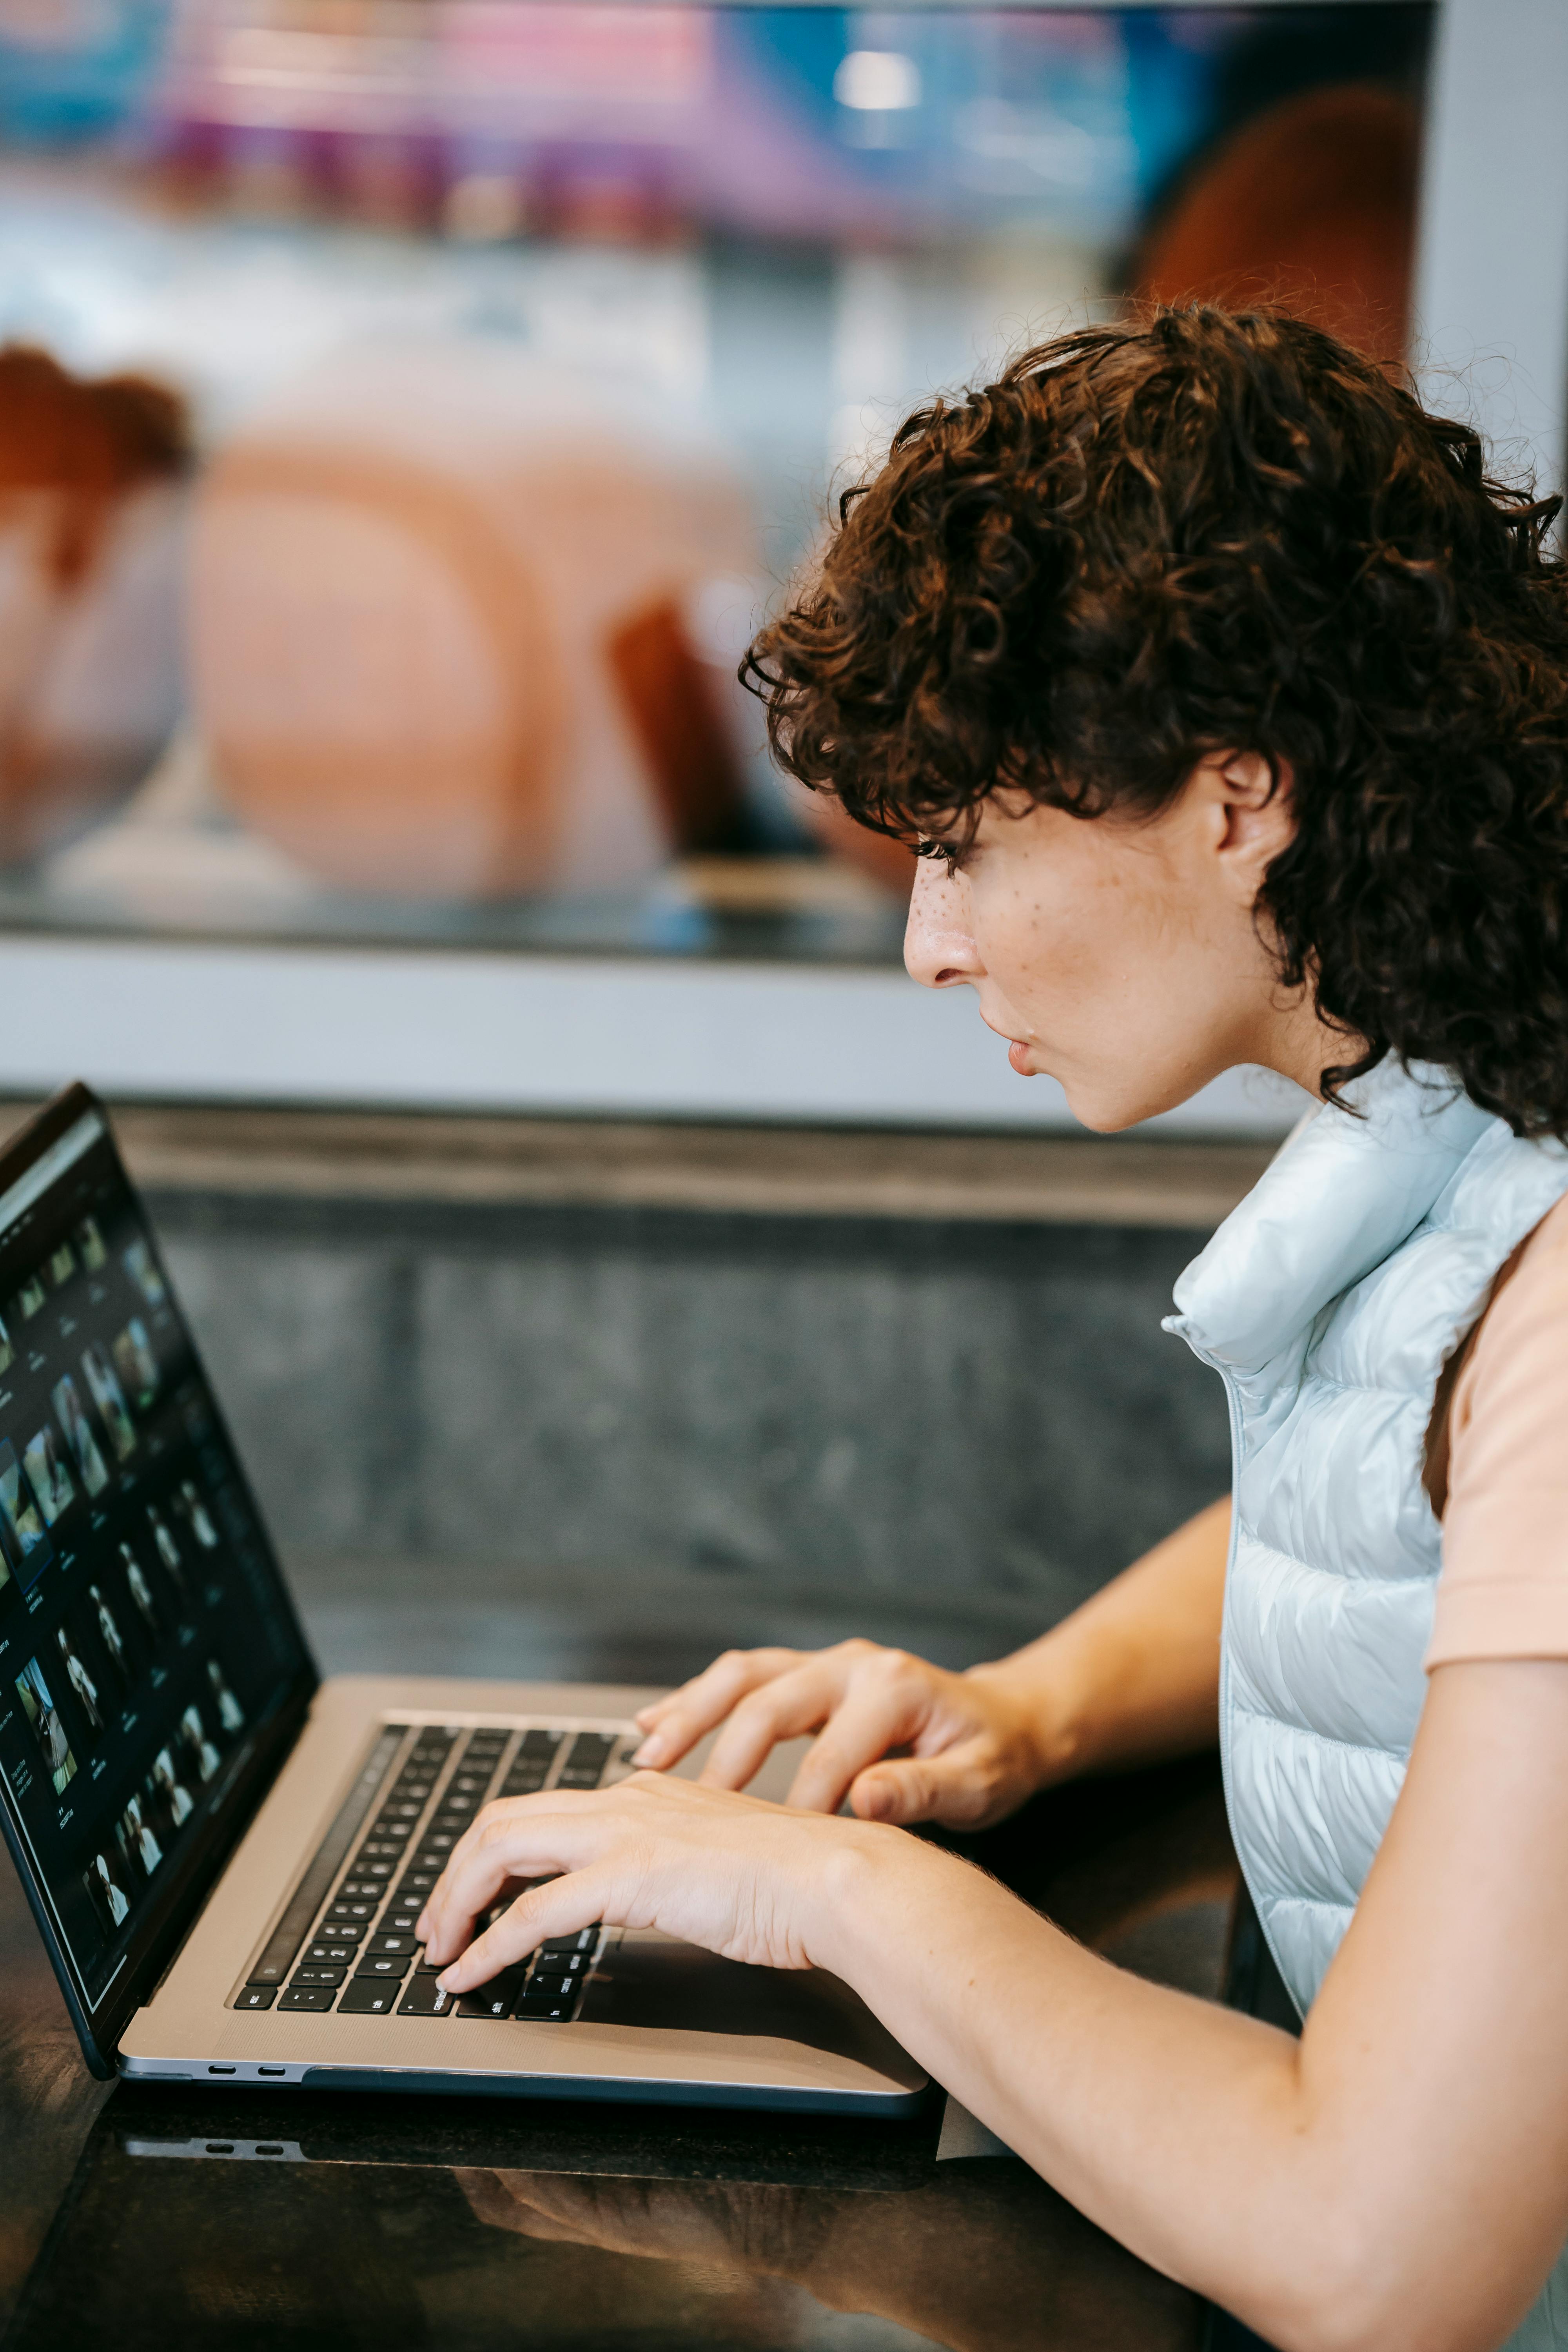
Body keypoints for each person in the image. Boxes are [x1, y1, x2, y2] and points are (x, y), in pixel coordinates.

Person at [418, 310, 1568, 2352]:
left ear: (1241, 797)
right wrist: (1031, 1708)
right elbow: (1454, 1521)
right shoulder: (1464, 1096)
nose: (931, 943)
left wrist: (833, 1892)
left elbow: (1384, 2259)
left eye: (966, 843)